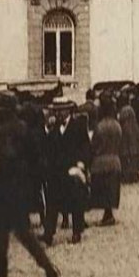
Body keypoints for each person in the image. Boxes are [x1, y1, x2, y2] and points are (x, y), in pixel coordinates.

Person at [0, 100, 60, 277]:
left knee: (3, 233)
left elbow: (0, 157)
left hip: (5, 189)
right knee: (21, 234)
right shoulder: (24, 129)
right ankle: (46, 269)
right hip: (21, 190)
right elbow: (35, 158)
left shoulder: (2, 132)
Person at [40, 102, 89, 245]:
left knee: (76, 201)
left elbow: (85, 147)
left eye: (61, 111)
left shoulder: (78, 127)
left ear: (68, 110)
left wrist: (81, 163)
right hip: (56, 171)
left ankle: (76, 232)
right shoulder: (54, 129)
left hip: (72, 170)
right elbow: (48, 149)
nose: (58, 114)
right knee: (52, 202)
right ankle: (49, 233)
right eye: (56, 111)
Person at [88, 97, 124, 226]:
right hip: (115, 160)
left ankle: (107, 215)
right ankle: (108, 214)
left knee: (102, 189)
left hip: (100, 162)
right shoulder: (117, 125)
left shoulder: (99, 127)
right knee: (112, 189)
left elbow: (94, 145)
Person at [118, 98, 139, 184]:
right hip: (134, 147)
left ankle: (127, 176)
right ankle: (134, 175)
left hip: (127, 148)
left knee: (127, 160)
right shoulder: (135, 124)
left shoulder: (124, 125)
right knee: (133, 159)